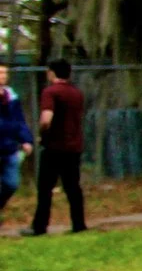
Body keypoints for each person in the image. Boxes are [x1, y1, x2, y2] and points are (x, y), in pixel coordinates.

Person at [26, 59, 86, 235]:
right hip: (74, 146)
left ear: (52, 73)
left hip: (54, 147)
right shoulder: (76, 93)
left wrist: (41, 134)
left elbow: (46, 118)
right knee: (73, 187)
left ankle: (39, 226)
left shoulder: (50, 92)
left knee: (45, 188)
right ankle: (79, 223)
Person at [0, 62, 31, 229]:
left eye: (5, 73)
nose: (3, 76)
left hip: (9, 147)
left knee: (11, 184)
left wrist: (25, 140)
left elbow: (19, 121)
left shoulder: (11, 97)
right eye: (0, 73)